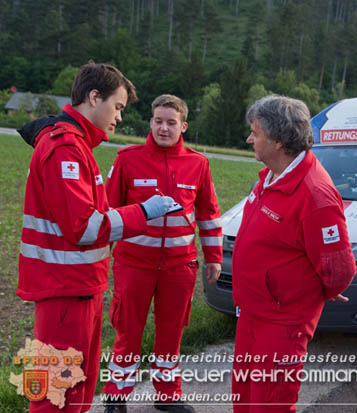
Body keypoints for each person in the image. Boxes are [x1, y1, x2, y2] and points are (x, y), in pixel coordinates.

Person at [16, 62, 174, 413]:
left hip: (79, 288)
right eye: (117, 107)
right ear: (93, 97)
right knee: (55, 398)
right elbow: (85, 227)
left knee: (78, 395)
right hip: (63, 294)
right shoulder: (64, 149)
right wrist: (144, 212)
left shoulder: (77, 146)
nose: (118, 117)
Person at [232, 95, 357, 412]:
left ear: (277, 141)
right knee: (244, 398)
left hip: (282, 321)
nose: (250, 139)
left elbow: (340, 270)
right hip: (254, 310)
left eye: (255, 133)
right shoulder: (270, 177)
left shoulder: (315, 194)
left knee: (269, 404)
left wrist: (314, 292)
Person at [102, 94, 223, 413]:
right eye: (158, 121)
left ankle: (167, 396)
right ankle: (116, 397)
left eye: (171, 122)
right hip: (133, 266)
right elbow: (108, 215)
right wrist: (102, 258)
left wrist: (214, 258)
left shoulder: (199, 164)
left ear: (183, 126)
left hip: (179, 269)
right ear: (150, 122)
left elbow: (208, 214)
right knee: (128, 333)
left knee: (171, 334)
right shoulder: (128, 159)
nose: (163, 128)